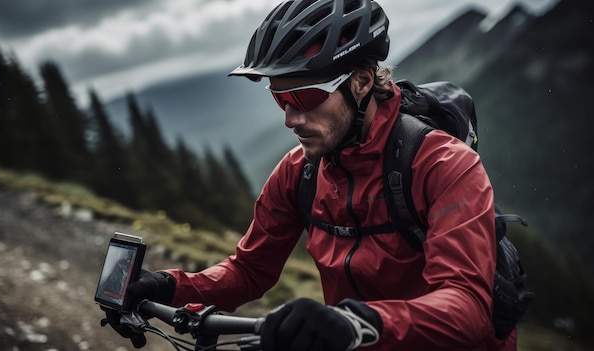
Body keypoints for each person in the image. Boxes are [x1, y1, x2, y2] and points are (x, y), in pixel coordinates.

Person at [104, 0, 516, 350]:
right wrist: (169, 286)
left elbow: (467, 307)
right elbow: (248, 270)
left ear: (360, 82)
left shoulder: (444, 164)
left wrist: (359, 323)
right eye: (280, 97)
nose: (291, 118)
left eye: (304, 97)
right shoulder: (298, 173)